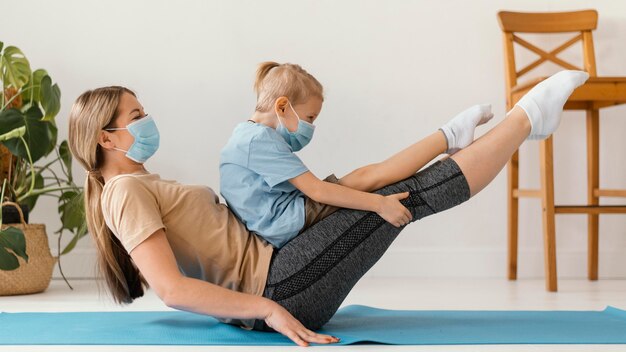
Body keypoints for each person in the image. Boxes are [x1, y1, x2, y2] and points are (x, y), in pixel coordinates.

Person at [67, 69, 588, 347]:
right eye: (137, 115)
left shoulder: (138, 186)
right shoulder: (125, 193)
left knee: (385, 187)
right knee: (403, 198)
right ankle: (528, 118)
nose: (148, 119)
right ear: (109, 138)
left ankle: (512, 122)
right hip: (281, 285)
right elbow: (171, 290)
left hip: (284, 265)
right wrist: (269, 308)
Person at [219, 62, 495, 248]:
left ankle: (450, 138)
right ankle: (449, 135)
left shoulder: (245, 136)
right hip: (286, 223)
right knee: (370, 177)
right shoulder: (258, 140)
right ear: (282, 106)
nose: (310, 127)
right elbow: (316, 190)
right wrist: (378, 204)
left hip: (284, 217)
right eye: (309, 117)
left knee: (367, 176)